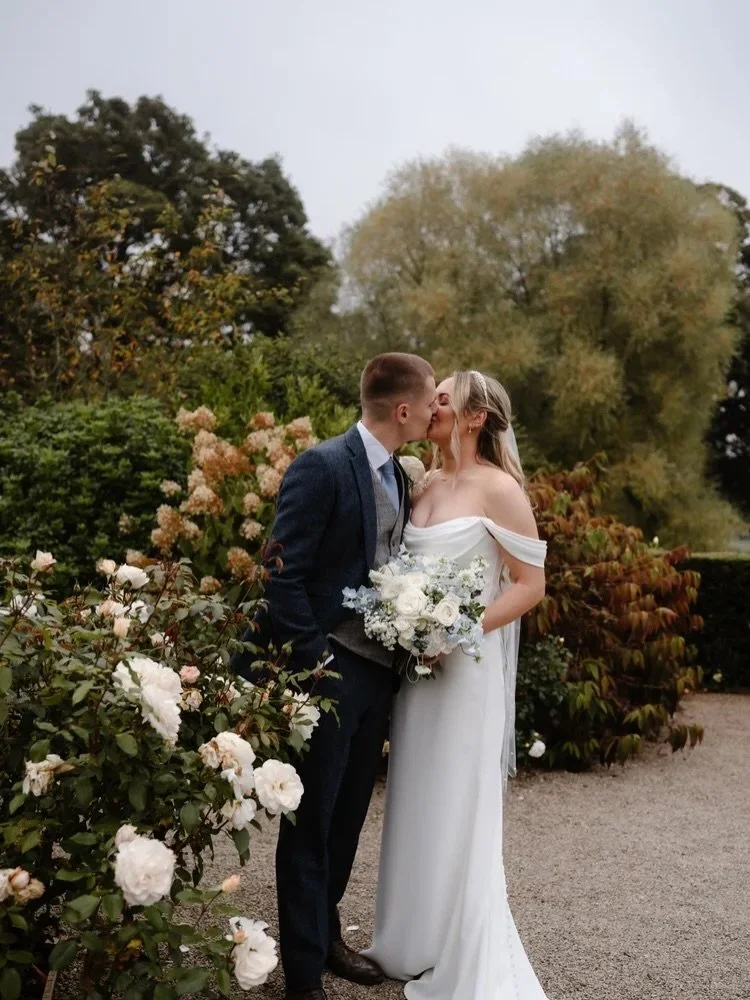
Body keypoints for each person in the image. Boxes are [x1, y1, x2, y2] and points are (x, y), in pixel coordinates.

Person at [233, 353, 437, 1000]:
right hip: (327, 673)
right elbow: (279, 575)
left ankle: (326, 941)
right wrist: (317, 664)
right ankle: (301, 974)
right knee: (311, 823)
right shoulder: (322, 465)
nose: (436, 412)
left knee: (347, 819)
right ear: (403, 410)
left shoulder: (402, 478)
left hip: (378, 678)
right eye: (432, 401)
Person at [364, 370, 550, 1000]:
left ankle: (454, 944)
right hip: (418, 674)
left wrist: (458, 631)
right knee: (415, 794)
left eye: (445, 398)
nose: (432, 404)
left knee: (456, 798)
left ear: (475, 418)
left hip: (465, 671)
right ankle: (408, 939)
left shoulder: (500, 490)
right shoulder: (422, 479)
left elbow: (530, 585)